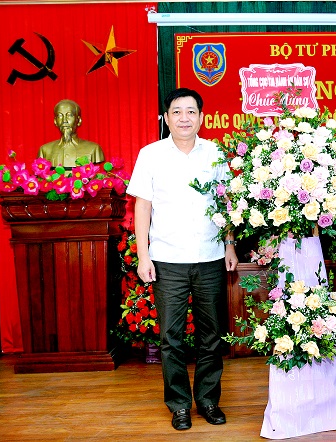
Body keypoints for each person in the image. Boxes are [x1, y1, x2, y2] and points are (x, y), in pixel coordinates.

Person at [127, 88, 238, 431]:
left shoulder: (216, 154)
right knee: (171, 338)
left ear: (202, 117)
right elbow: (142, 206)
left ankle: (208, 400)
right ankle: (178, 404)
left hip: (210, 257)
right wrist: (143, 255)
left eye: (191, 111)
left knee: (212, 336)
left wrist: (230, 245)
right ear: (166, 118)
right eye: (177, 112)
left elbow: (227, 203)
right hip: (167, 260)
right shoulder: (151, 155)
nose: (184, 118)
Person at [38, 99, 105, 168]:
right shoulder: (45, 150)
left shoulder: (94, 149)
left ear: (78, 120)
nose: (64, 120)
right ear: (55, 121)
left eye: (69, 115)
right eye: (60, 116)